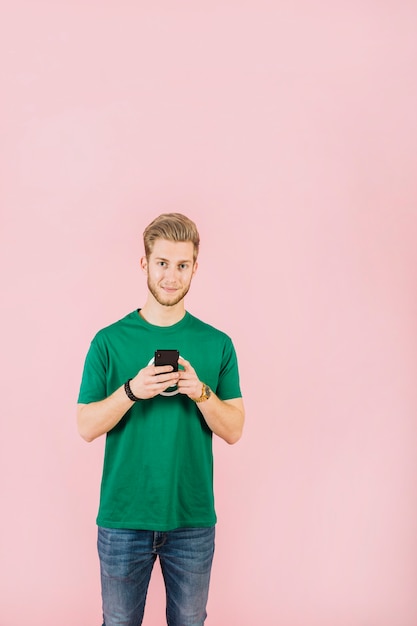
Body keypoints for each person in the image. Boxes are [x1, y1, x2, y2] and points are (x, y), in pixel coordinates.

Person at [77, 212, 245, 626]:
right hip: (123, 519)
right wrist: (133, 390)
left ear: (195, 268)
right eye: (163, 263)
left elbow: (234, 429)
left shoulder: (217, 343)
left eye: (182, 265)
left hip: (192, 520)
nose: (172, 276)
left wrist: (200, 391)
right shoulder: (109, 341)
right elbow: (85, 426)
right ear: (145, 264)